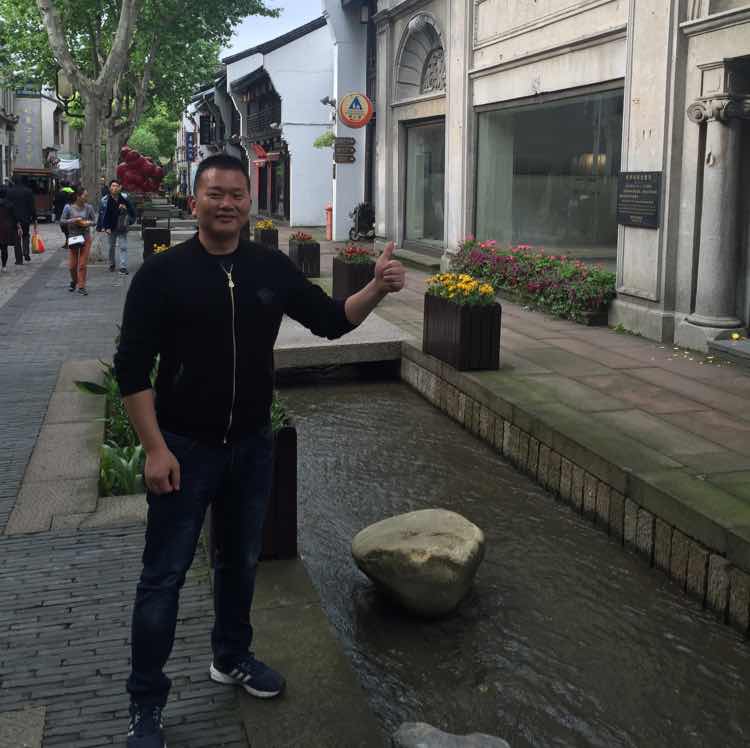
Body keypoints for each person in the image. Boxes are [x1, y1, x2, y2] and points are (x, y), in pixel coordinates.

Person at [114, 153, 405, 748]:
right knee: (163, 579)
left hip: (250, 445)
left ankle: (231, 657)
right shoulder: (162, 276)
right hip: (184, 449)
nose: (227, 204)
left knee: (240, 563)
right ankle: (146, 702)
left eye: (237, 195)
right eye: (215, 194)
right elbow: (132, 370)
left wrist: (376, 287)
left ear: (249, 203)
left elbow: (330, 321)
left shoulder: (269, 267)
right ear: (194, 201)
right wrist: (154, 450)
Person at [60, 186, 96, 295]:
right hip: (73, 238)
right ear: (78, 196)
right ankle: (74, 281)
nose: (86, 198)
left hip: (85, 237)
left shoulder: (89, 208)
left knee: (82, 264)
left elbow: (94, 221)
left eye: (87, 196)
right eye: (85, 196)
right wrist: (73, 220)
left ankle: (81, 286)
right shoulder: (68, 208)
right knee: (72, 266)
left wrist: (88, 223)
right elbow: (62, 221)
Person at [97, 179, 135, 274]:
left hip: (122, 226)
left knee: (123, 247)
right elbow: (102, 214)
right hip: (111, 227)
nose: (114, 188)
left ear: (120, 188)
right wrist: (104, 227)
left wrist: (126, 212)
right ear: (110, 188)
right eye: (113, 186)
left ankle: (123, 266)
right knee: (111, 247)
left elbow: (132, 212)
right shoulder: (104, 200)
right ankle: (112, 264)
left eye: (116, 186)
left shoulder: (125, 198)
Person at [5, 179, 37, 262]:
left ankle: (19, 259)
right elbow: (32, 206)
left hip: (14, 218)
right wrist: (34, 218)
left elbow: (7, 205)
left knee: (16, 238)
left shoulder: (10, 192)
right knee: (25, 235)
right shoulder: (28, 191)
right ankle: (26, 252)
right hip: (26, 218)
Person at [0, 186, 23, 271]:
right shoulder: (10, 204)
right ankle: (4, 266)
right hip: (6, 228)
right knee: (4, 248)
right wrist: (19, 227)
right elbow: (15, 217)